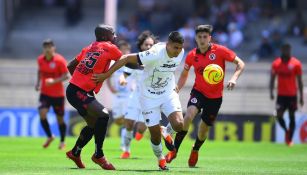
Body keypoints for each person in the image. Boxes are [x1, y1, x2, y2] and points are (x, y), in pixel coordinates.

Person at [91, 31, 185, 170]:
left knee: (179, 125)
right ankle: (160, 159)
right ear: (168, 45)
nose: (178, 51)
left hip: (167, 94)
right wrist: (106, 75)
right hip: (148, 98)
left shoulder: (181, 52)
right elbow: (126, 58)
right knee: (154, 135)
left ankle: (166, 131)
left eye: (180, 48)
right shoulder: (154, 53)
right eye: (175, 47)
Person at [164, 24, 245, 167]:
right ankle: (174, 150)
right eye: (199, 37)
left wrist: (233, 78)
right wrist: (177, 87)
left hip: (215, 98)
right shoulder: (191, 55)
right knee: (188, 116)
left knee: (203, 129)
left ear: (210, 38)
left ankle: (195, 149)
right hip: (198, 92)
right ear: (195, 38)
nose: (202, 39)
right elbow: (184, 74)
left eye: (205, 37)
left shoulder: (220, 51)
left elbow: (241, 63)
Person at [65, 24, 122, 170]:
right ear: (104, 36)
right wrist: (143, 63)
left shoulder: (88, 47)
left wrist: (81, 80)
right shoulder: (110, 47)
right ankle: (98, 155)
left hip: (73, 90)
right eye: (112, 33)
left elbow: (70, 65)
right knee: (103, 115)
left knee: (93, 123)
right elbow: (125, 61)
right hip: (79, 92)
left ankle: (75, 152)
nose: (115, 36)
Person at [120, 30, 158, 159]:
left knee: (141, 128)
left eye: (151, 45)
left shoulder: (157, 61)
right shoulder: (134, 61)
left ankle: (141, 132)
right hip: (135, 97)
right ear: (141, 45)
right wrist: (123, 79)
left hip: (150, 100)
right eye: (146, 45)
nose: (148, 47)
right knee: (129, 124)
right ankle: (126, 150)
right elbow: (124, 74)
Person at [35, 39, 68, 150]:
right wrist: (38, 83)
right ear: (43, 49)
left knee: (60, 119)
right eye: (45, 47)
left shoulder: (60, 60)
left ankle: (62, 141)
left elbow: (66, 76)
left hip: (58, 95)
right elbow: (40, 71)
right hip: (45, 93)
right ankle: (50, 136)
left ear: (54, 48)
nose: (47, 49)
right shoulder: (40, 59)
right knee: (42, 113)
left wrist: (53, 81)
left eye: (49, 47)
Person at [270, 43, 304, 147]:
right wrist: (271, 91)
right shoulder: (276, 63)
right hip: (281, 95)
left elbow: (300, 81)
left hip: (292, 95)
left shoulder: (296, 63)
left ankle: (289, 140)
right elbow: (272, 79)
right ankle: (286, 131)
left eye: (288, 49)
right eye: (285, 49)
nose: (287, 51)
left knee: (292, 116)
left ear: (290, 50)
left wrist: (301, 96)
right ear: (282, 50)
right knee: (278, 115)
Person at [106, 40, 132, 151]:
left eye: (127, 49)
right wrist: (110, 87)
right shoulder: (113, 63)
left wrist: (134, 87)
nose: (125, 51)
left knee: (127, 119)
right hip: (117, 95)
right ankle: (127, 127)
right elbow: (107, 76)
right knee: (117, 120)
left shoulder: (131, 63)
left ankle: (125, 145)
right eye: (123, 49)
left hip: (128, 95)